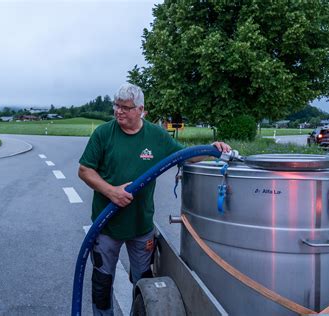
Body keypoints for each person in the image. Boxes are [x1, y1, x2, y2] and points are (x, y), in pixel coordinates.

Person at [78, 83, 231, 315]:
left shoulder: (156, 136)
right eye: (116, 106)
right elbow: (84, 170)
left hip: (141, 225)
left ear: (141, 110)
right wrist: (111, 192)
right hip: (106, 225)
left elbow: (186, 157)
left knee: (144, 281)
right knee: (102, 281)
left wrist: (211, 149)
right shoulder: (104, 134)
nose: (119, 111)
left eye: (126, 108)